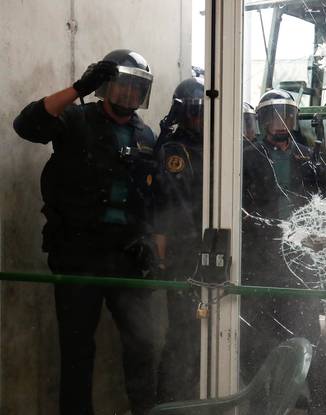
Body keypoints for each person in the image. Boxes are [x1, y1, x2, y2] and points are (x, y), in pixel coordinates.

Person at [13, 49, 157, 415]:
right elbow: (27, 125)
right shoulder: (76, 119)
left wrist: (150, 242)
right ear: (105, 86)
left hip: (127, 255)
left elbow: (151, 196)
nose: (129, 96)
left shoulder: (145, 133)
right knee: (77, 351)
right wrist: (79, 87)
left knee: (143, 344)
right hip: (79, 255)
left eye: (137, 89)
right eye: (122, 87)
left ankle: (144, 410)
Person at [240, 89, 326, 415]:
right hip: (260, 258)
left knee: (309, 331)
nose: (281, 123)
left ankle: (323, 399)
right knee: (258, 335)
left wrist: (317, 166)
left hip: (300, 258)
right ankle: (261, 403)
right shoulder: (246, 156)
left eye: (287, 116)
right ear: (262, 121)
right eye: (274, 116)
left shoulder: (308, 156)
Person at [153, 76, 205, 402]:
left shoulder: (214, 145)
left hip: (209, 249)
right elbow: (176, 207)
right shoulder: (175, 150)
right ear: (185, 113)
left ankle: (198, 397)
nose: (205, 119)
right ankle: (171, 402)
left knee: (206, 333)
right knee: (183, 334)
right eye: (199, 112)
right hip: (187, 253)